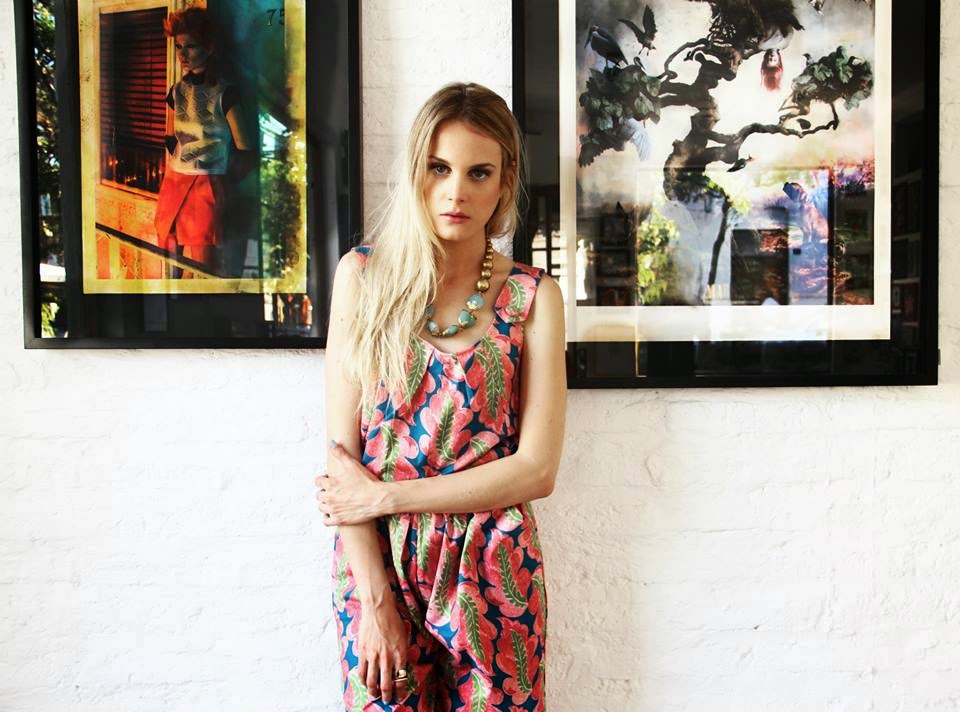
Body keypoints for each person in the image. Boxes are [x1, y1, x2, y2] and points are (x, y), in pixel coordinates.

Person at [316, 82, 567, 710]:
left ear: (504, 182)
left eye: (478, 172)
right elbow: (342, 463)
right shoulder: (363, 278)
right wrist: (374, 601)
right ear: (416, 172)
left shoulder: (534, 296)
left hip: (496, 562)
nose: (457, 192)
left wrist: (389, 496)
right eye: (439, 168)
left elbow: (537, 470)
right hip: (380, 563)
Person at [154, 6, 254, 277]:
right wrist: (180, 162)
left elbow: (245, 150)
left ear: (209, 48)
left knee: (202, 268)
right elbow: (169, 136)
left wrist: (220, 181)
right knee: (169, 262)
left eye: (190, 46)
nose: (182, 54)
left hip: (206, 189)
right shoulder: (176, 91)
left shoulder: (225, 92)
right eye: (178, 46)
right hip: (174, 183)